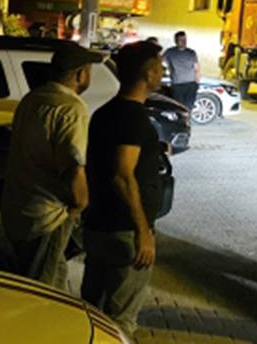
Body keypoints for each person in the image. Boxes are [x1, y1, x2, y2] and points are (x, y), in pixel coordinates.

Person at [0, 42, 102, 290]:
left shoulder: (32, 99)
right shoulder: (71, 108)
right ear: (80, 74)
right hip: (48, 216)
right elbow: (73, 164)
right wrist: (81, 203)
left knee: (47, 277)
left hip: (18, 207)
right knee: (40, 289)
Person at [82, 41, 166, 338]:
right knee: (120, 321)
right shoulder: (133, 117)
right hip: (124, 232)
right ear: (149, 73)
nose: (163, 73)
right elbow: (122, 175)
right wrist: (143, 230)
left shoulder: (105, 112)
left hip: (97, 225)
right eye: (160, 67)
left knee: (91, 311)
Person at [163, 31, 198, 109]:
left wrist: (196, 83)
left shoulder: (191, 52)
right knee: (178, 107)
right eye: (181, 40)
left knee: (189, 107)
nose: (184, 42)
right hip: (177, 84)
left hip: (190, 84)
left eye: (185, 40)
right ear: (175, 41)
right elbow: (161, 63)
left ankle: (187, 120)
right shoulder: (170, 52)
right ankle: (181, 120)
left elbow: (196, 68)